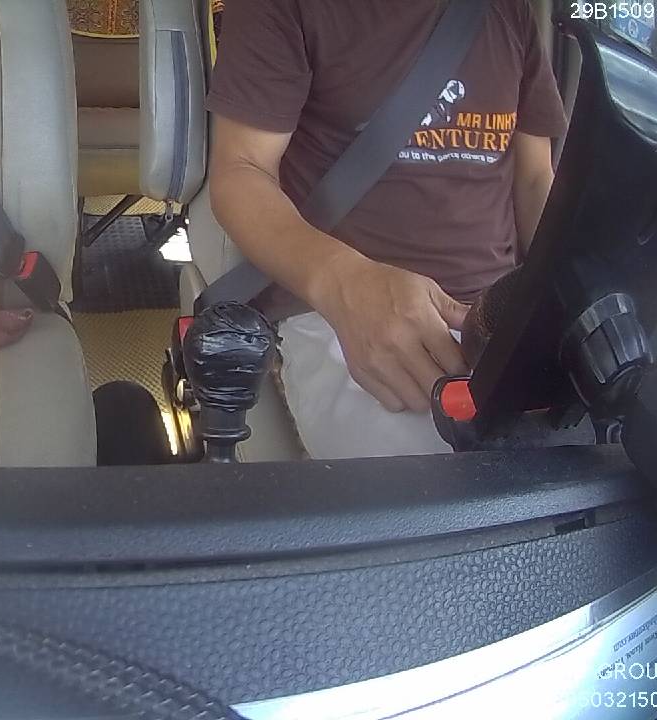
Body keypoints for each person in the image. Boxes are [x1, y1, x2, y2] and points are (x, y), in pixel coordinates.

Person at [205, 0, 567, 459]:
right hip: (343, 308)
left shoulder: (509, 10)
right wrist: (344, 284)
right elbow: (241, 170)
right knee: (449, 486)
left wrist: (580, 291)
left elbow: (535, 179)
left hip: (500, 316)